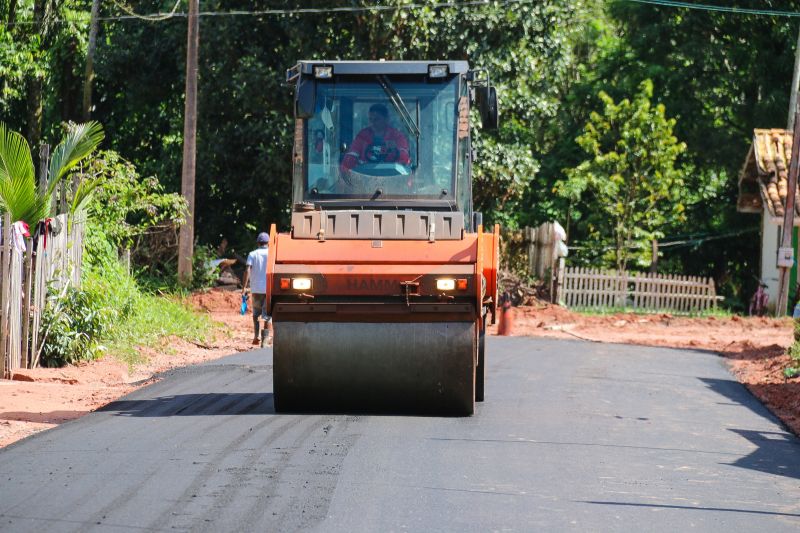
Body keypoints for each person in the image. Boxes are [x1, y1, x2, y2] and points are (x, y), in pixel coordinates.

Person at [340, 103, 410, 175]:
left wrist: (396, 148)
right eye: (370, 119)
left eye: (376, 119)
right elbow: (351, 156)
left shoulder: (397, 136)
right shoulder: (363, 136)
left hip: (392, 178)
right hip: (366, 178)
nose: (372, 122)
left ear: (386, 119)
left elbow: (405, 159)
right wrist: (345, 173)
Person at [242, 232, 271, 345]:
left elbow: (247, 270)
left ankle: (256, 336)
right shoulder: (272, 253)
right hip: (268, 289)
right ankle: (265, 340)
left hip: (256, 289)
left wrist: (244, 286)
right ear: (268, 243)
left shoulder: (252, 254)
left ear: (258, 243)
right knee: (267, 316)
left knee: (256, 314)